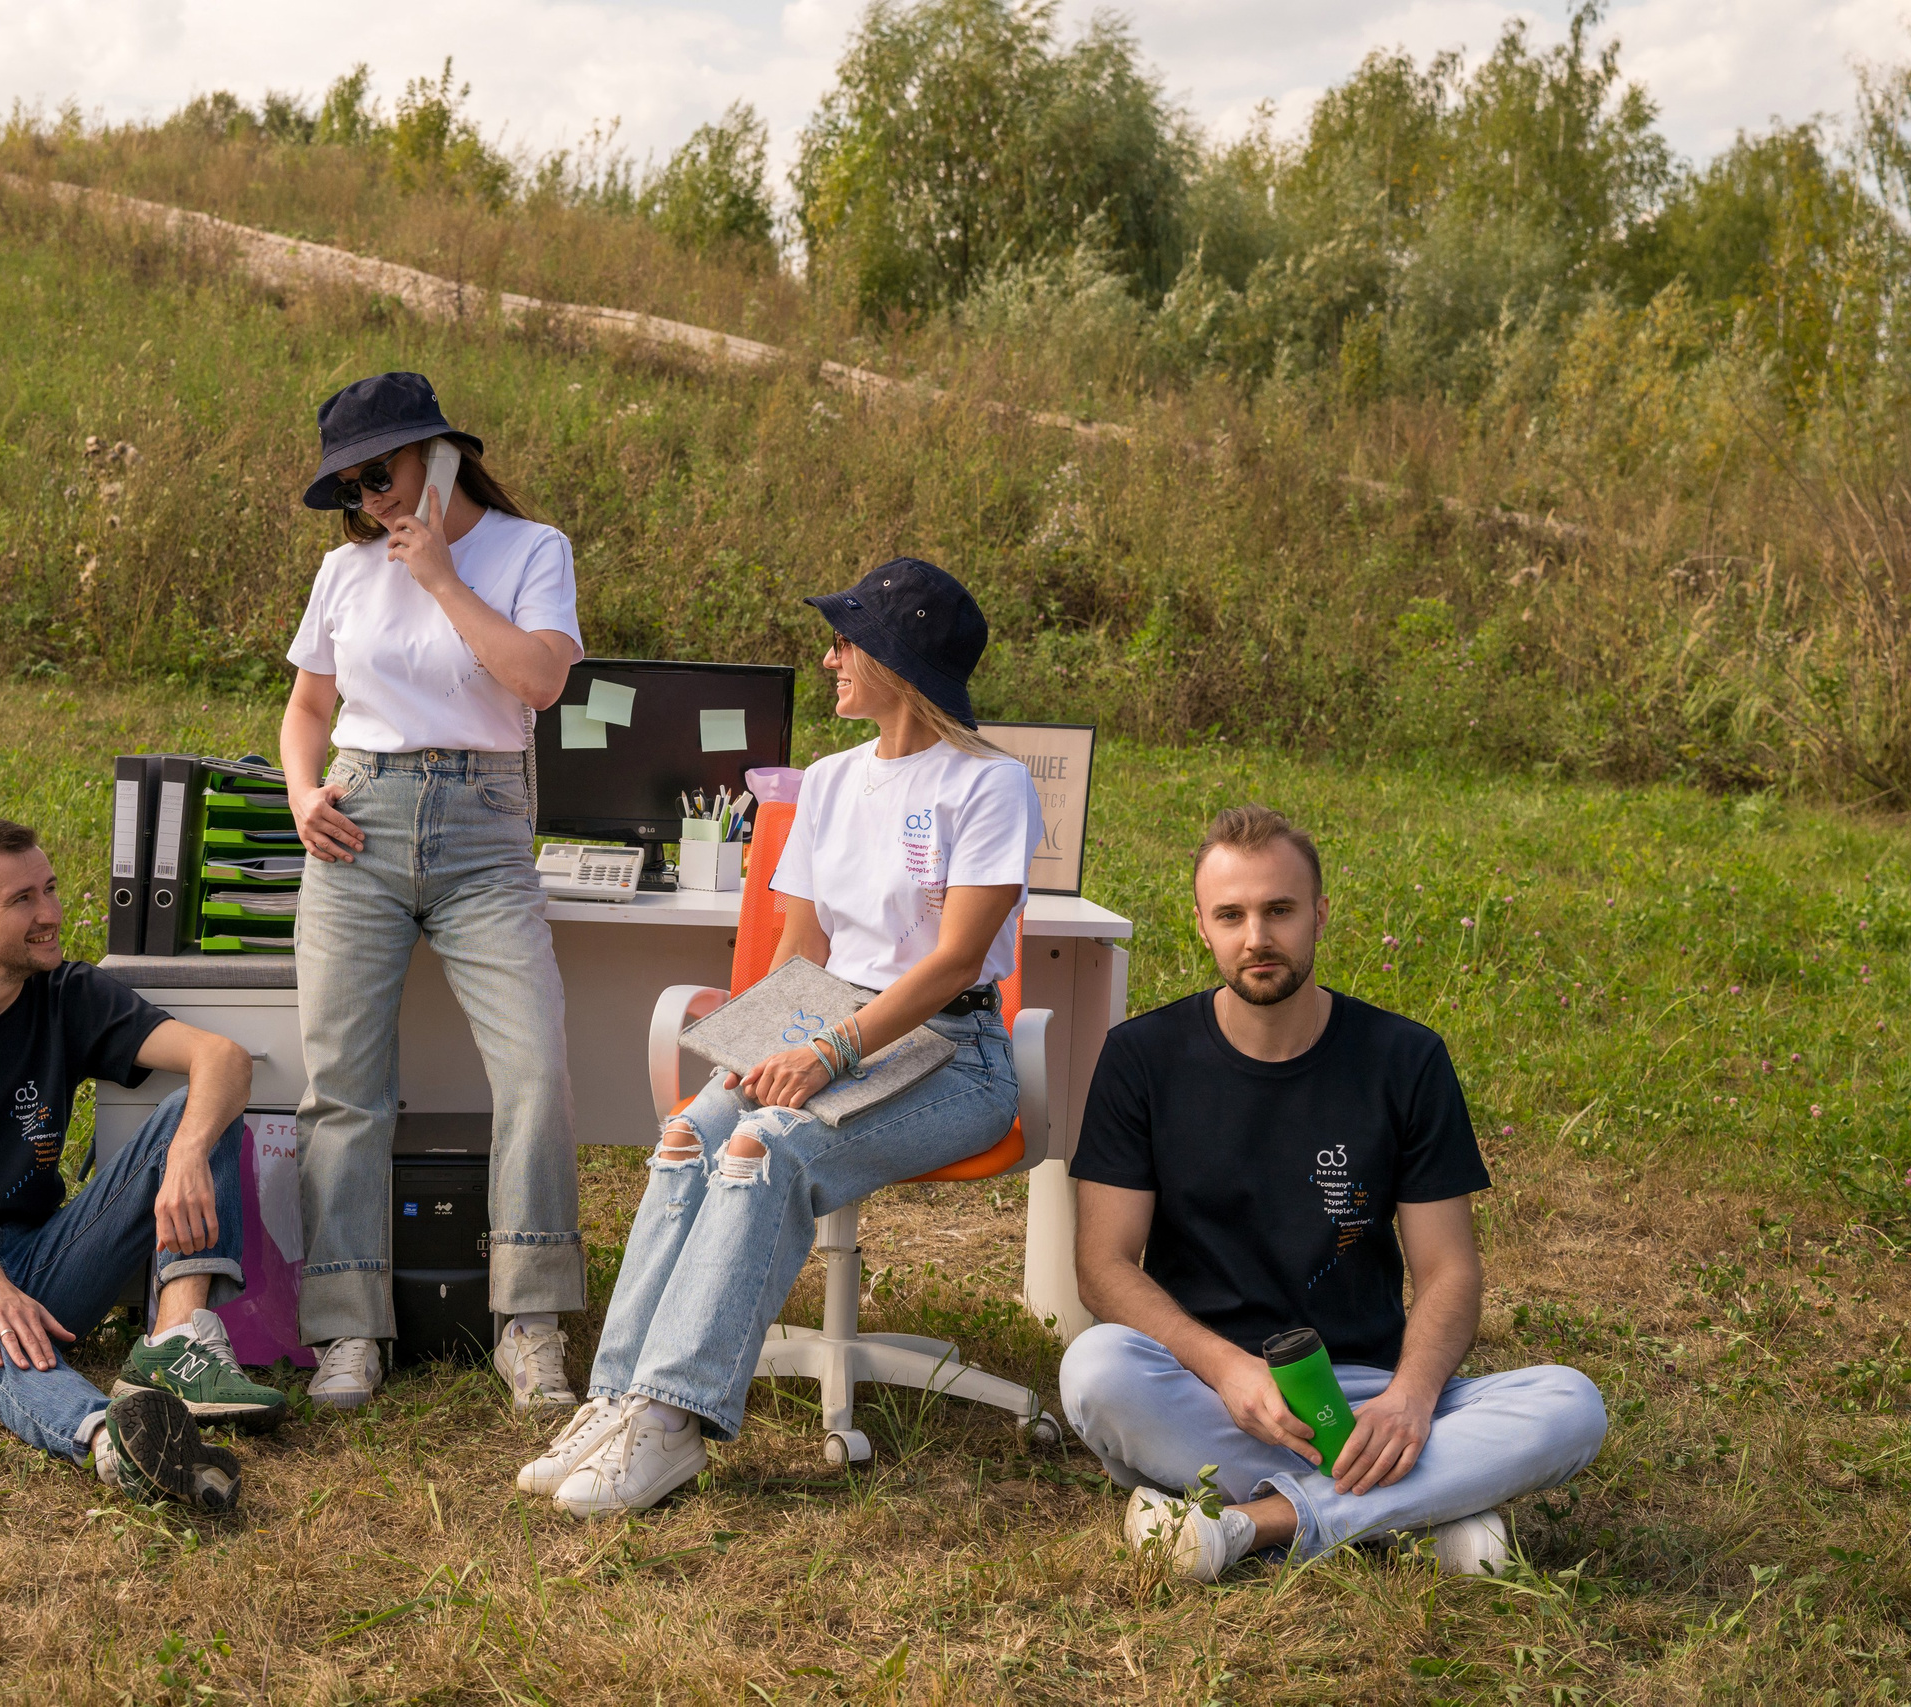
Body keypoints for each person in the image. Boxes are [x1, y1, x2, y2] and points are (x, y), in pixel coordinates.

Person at [517, 558, 1042, 1516]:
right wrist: (761, 1042)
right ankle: (618, 1397)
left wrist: (828, 1052)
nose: (830, 656)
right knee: (688, 1134)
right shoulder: (832, 782)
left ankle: (672, 1423)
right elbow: (802, 947)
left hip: (954, 1056)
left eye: (847, 640)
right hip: (828, 1016)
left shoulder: (991, 785)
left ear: (899, 657)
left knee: (765, 1147)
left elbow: (958, 959)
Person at [1058, 805, 1608, 1581]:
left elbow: (1449, 1271)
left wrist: (1413, 1398)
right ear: (1201, 925)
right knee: (1094, 1368)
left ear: (1318, 913)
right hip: (1212, 1392)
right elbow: (1103, 1266)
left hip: (1368, 1393)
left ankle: (1250, 1524)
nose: (1257, 936)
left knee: (1571, 1403)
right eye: (1232, 914)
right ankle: (1413, 1515)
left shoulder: (1406, 1058)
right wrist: (1225, 1369)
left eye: (1279, 909)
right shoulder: (1142, 1057)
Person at [0, 817, 291, 1516]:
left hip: (40, 1264)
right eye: (22, 900)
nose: (51, 913)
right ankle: (117, 1442)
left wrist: (189, 1153)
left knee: (197, 1112)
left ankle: (174, 1344)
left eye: (50, 889)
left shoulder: (67, 994)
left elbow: (220, 1057)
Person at [280, 371, 587, 1414]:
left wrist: (445, 577)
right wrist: (296, 789)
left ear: (441, 455)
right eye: (351, 486)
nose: (370, 500)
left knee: (537, 1067)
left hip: (483, 826)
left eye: (381, 473)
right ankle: (347, 1331)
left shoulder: (530, 550)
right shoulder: (343, 571)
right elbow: (307, 704)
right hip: (356, 820)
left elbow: (539, 682)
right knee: (342, 1085)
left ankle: (531, 1322)